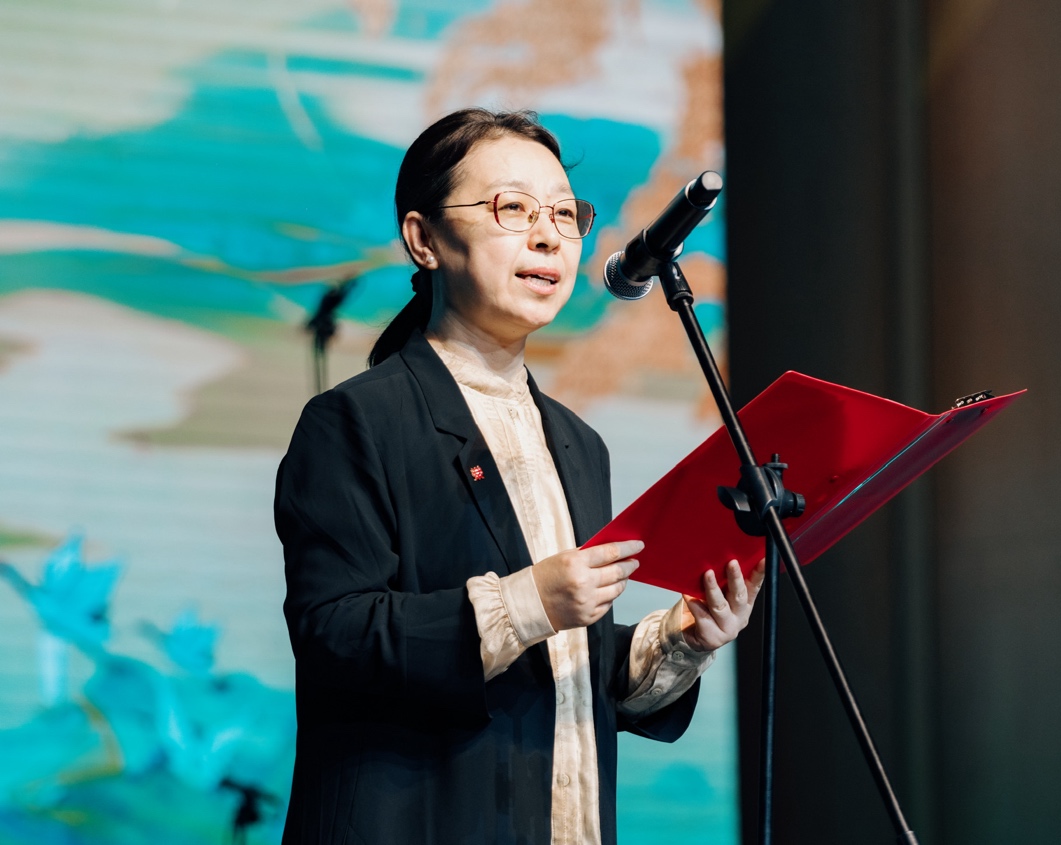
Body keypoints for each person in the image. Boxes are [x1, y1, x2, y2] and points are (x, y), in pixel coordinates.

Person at [275, 108, 763, 845]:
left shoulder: (579, 444)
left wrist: (684, 637)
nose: (548, 235)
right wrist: (530, 600)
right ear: (424, 239)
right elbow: (333, 636)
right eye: (513, 208)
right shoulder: (356, 421)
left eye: (564, 214)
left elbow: (563, 671)